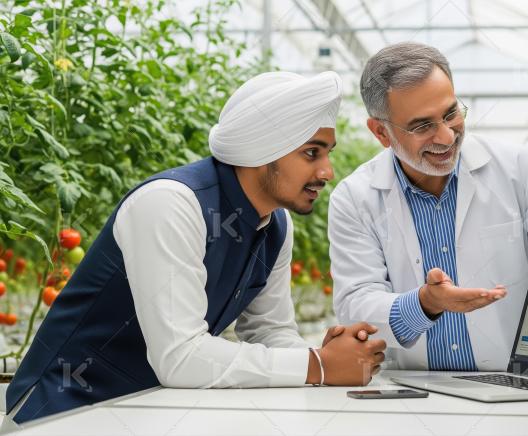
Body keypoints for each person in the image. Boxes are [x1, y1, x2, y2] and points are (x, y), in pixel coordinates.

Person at [5, 71, 386, 425]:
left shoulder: (274, 226)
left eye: (327, 154)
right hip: (63, 412)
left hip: (152, 406)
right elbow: (181, 358)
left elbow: (270, 331)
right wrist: (316, 365)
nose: (327, 173)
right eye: (311, 153)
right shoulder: (170, 204)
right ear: (262, 149)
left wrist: (324, 357)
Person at [328, 42, 528, 372]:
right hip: (414, 390)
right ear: (381, 132)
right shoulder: (354, 198)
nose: (447, 137)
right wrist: (425, 303)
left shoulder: (517, 168)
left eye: (451, 114)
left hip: (512, 380)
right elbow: (356, 304)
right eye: (422, 126)